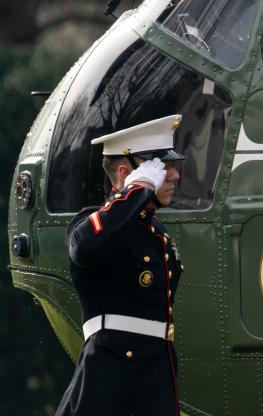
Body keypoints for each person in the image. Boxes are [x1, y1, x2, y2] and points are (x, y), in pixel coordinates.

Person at [56, 115, 186, 416]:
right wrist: (135, 192)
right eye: (162, 169)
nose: (175, 176)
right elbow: (86, 248)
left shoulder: (154, 232)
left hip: (153, 379)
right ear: (127, 173)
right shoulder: (91, 224)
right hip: (111, 380)